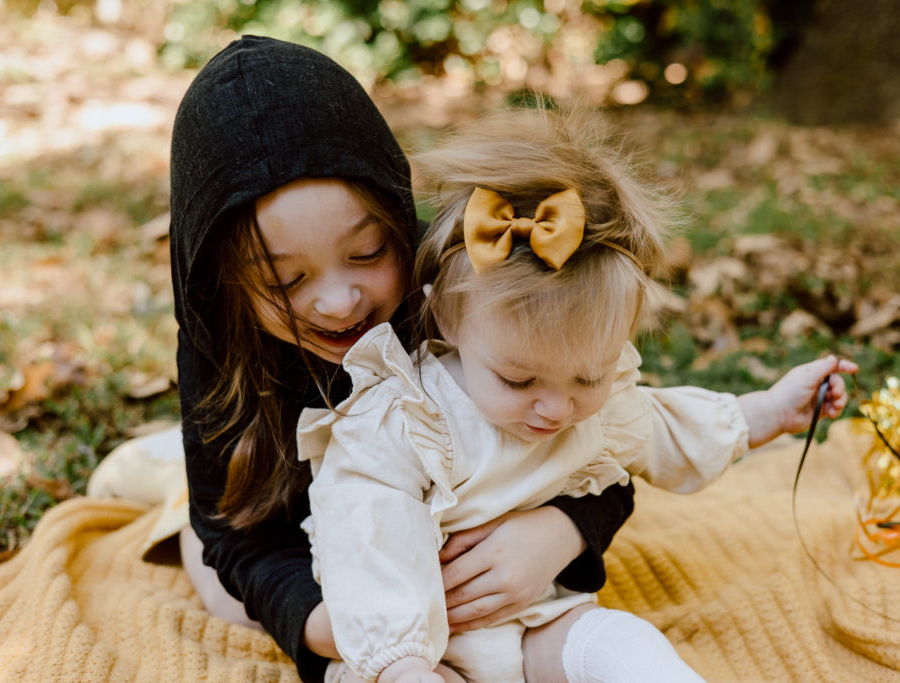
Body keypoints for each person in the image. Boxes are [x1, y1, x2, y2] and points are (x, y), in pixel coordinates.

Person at [297, 106, 858, 683]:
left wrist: (769, 410)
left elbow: (665, 425)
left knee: (622, 643)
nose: (558, 408)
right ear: (445, 318)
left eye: (588, 378)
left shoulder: (596, 402)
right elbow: (366, 540)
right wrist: (403, 664)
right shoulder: (403, 419)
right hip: (421, 648)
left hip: (540, 622)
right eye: (518, 380)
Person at [168, 36, 639, 683]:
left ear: (397, 220)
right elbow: (240, 540)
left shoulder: (464, 293)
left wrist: (562, 529)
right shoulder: (221, 354)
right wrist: (336, 623)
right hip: (323, 561)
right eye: (285, 279)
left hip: (466, 535)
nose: (337, 300)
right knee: (220, 579)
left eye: (366, 254)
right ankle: (174, 516)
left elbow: (606, 436)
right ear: (223, 282)